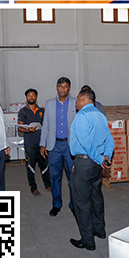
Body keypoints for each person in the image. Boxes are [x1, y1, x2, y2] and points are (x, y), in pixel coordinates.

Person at [69, 87, 114, 251]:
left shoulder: (82, 116)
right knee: (96, 196)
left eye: (77, 99)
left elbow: (86, 143)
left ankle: (88, 240)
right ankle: (100, 230)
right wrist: (106, 157)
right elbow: (110, 139)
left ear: (83, 98)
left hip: (85, 163)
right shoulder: (100, 115)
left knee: (81, 202)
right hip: (97, 165)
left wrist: (100, 158)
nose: (75, 102)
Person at [40, 77, 76, 217]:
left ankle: (74, 205)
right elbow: (46, 126)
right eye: (60, 86)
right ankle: (56, 204)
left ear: (69, 88)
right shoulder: (49, 104)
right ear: (56, 88)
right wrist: (43, 144)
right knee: (55, 177)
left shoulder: (75, 104)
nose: (63, 89)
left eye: (65, 86)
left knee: (72, 177)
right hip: (53, 146)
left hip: (70, 146)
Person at [18, 88, 52, 196]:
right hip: (30, 143)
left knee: (44, 164)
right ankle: (33, 187)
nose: (31, 97)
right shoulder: (23, 111)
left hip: (42, 143)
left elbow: (47, 125)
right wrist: (28, 130)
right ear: (26, 98)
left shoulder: (42, 110)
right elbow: (19, 128)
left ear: (36, 97)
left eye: (33, 95)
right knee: (30, 165)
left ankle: (47, 184)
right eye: (29, 95)